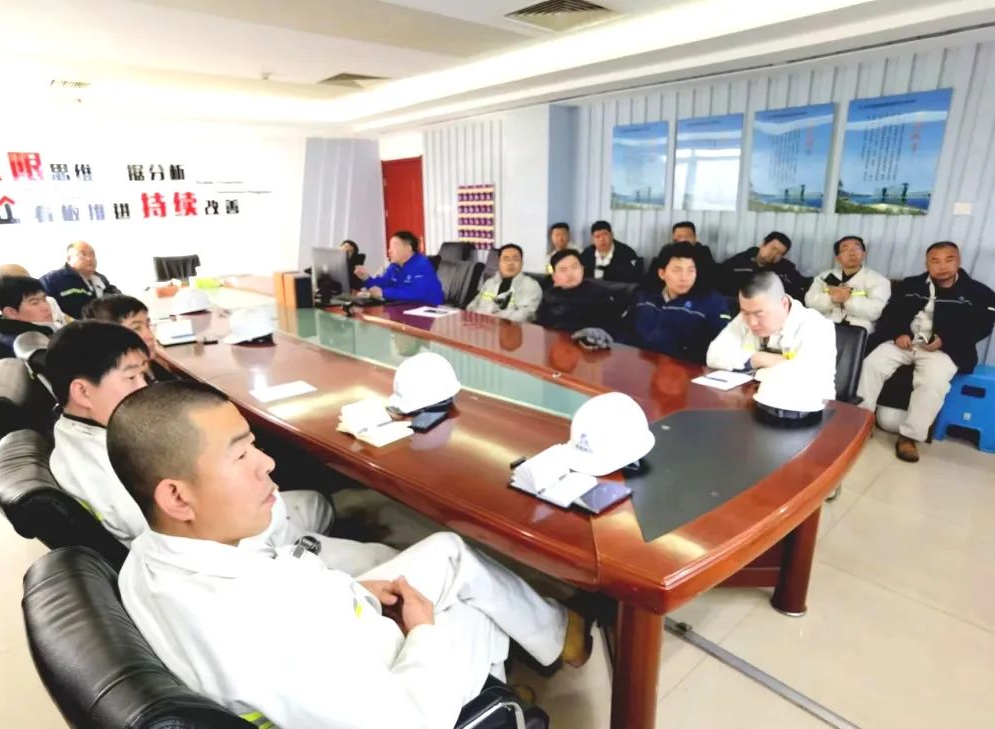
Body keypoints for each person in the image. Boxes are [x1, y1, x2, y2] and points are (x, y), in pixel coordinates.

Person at [112, 382, 591, 729]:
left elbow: (281, 590)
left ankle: (555, 634)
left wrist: (353, 592)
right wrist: (423, 630)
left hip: (346, 630)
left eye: (253, 445)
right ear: (177, 497)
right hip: (393, 686)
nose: (267, 463)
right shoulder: (258, 628)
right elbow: (405, 721)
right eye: (240, 456)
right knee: (474, 608)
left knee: (449, 551)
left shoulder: (148, 554)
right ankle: (497, 697)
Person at [44, 322, 386, 573]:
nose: (144, 387)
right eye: (131, 377)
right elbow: (201, 535)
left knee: (316, 502)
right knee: (382, 556)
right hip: (251, 552)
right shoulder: (106, 469)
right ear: (83, 392)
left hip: (227, 533)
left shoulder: (74, 437)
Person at [857, 242, 995, 462]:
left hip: (945, 348)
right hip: (905, 342)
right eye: (935, 261)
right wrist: (899, 333)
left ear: (958, 261)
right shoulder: (910, 285)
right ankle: (861, 424)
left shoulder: (980, 293)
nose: (942, 266)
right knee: (871, 364)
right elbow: (890, 314)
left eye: (948, 260)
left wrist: (944, 340)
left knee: (933, 382)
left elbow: (982, 327)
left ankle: (910, 437)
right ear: (927, 263)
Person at [707, 272, 836, 401]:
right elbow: (713, 355)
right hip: (753, 399)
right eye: (745, 313)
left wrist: (748, 366)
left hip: (803, 405)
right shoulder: (746, 316)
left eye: (759, 314)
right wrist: (758, 358)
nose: (752, 322)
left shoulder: (816, 326)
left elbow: (803, 379)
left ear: (784, 304)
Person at [626, 244, 731, 363]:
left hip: (687, 369)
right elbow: (626, 332)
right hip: (642, 365)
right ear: (662, 273)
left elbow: (724, 345)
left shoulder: (712, 302)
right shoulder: (645, 297)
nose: (684, 278)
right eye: (677, 270)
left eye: (691, 271)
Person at [804, 236, 891, 334]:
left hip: (857, 330)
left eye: (857, 248)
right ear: (838, 258)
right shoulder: (824, 277)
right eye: (845, 249)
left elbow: (875, 312)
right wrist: (832, 299)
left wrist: (847, 299)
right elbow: (809, 302)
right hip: (824, 325)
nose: (852, 253)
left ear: (864, 254)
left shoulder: (879, 280)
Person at [82, 294, 176, 382]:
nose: (150, 336)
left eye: (148, 325)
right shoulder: (118, 385)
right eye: (136, 328)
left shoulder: (153, 366)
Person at [535, 249, 617, 333]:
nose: (570, 274)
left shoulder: (599, 294)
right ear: (554, 276)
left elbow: (611, 328)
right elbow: (539, 324)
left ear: (582, 270)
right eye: (563, 270)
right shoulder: (549, 295)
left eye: (574, 267)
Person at [352, 231, 444, 305]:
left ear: (408, 249)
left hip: (428, 310)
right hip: (403, 307)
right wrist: (366, 278)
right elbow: (383, 282)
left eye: (394, 247)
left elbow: (417, 292)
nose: (389, 251)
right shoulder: (395, 265)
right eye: (389, 247)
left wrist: (384, 293)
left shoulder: (421, 264)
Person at [40, 241, 122, 318]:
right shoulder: (52, 280)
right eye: (83, 254)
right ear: (69, 258)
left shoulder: (101, 280)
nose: (89, 258)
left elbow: (117, 300)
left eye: (92, 254)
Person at [719, 231, 810, 300]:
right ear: (763, 244)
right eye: (773, 248)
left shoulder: (785, 268)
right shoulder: (738, 264)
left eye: (780, 253)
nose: (774, 254)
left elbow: (803, 284)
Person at [466, 244, 543, 322]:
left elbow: (524, 316)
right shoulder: (489, 283)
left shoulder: (530, 286)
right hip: (480, 326)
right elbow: (472, 306)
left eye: (515, 259)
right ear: (499, 263)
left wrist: (491, 318)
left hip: (510, 328)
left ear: (522, 263)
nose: (510, 263)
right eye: (506, 259)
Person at [0, 275, 60, 346]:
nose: (46, 307)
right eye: (34, 303)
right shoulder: (29, 344)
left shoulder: (41, 328)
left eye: (44, 299)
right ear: (11, 312)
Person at [650, 221, 718, 293]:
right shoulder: (667, 251)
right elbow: (653, 278)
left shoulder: (703, 252)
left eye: (687, 237)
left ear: (695, 237)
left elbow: (707, 280)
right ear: (673, 238)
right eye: (679, 237)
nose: (683, 240)